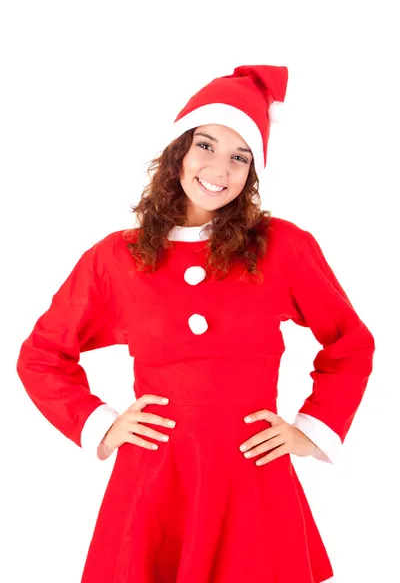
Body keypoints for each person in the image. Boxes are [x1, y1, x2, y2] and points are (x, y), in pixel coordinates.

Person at [16, 64, 375, 583]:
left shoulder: (284, 248)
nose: (219, 168)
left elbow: (351, 343)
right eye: (205, 146)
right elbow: (42, 355)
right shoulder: (118, 257)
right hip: (156, 482)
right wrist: (102, 423)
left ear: (252, 172)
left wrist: (310, 431)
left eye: (239, 156)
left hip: (252, 481)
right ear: (178, 152)